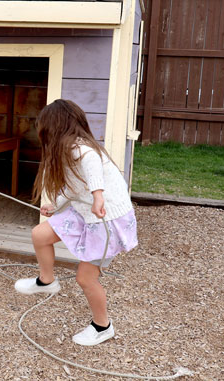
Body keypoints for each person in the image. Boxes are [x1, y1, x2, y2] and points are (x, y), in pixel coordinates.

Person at [14, 99, 138, 346]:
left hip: (106, 220)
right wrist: (55, 205)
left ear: (55, 128)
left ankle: (103, 326)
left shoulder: (82, 149)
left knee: (85, 278)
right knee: (40, 234)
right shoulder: (68, 150)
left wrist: (97, 195)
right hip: (84, 212)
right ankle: (46, 281)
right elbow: (74, 186)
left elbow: (92, 172)